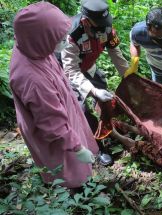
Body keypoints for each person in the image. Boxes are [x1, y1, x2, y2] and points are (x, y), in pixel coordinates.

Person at [9, 2, 98, 189]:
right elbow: (53, 125)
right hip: (55, 131)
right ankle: (78, 192)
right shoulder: (32, 80)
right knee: (69, 166)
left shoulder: (33, 47)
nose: (66, 40)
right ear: (41, 38)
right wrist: (78, 148)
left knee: (73, 157)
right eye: (59, 38)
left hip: (59, 110)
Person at [61, 0, 130, 165]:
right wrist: (92, 90)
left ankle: (108, 130)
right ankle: (97, 147)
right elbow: (71, 70)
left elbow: (115, 52)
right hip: (69, 74)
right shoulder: (72, 35)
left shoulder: (106, 27)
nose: (102, 28)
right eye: (97, 24)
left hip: (89, 68)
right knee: (82, 110)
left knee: (105, 102)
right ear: (86, 21)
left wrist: (128, 76)